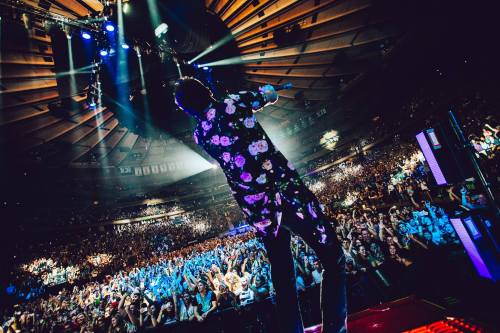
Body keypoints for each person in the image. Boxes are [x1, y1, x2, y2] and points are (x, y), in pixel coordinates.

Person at [174, 77, 347, 333]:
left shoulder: (200, 135)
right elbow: (269, 96)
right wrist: (267, 91)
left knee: (283, 278)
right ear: (207, 91)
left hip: (259, 211)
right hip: (287, 194)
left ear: (187, 110)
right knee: (333, 257)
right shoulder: (232, 103)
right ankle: (335, 329)